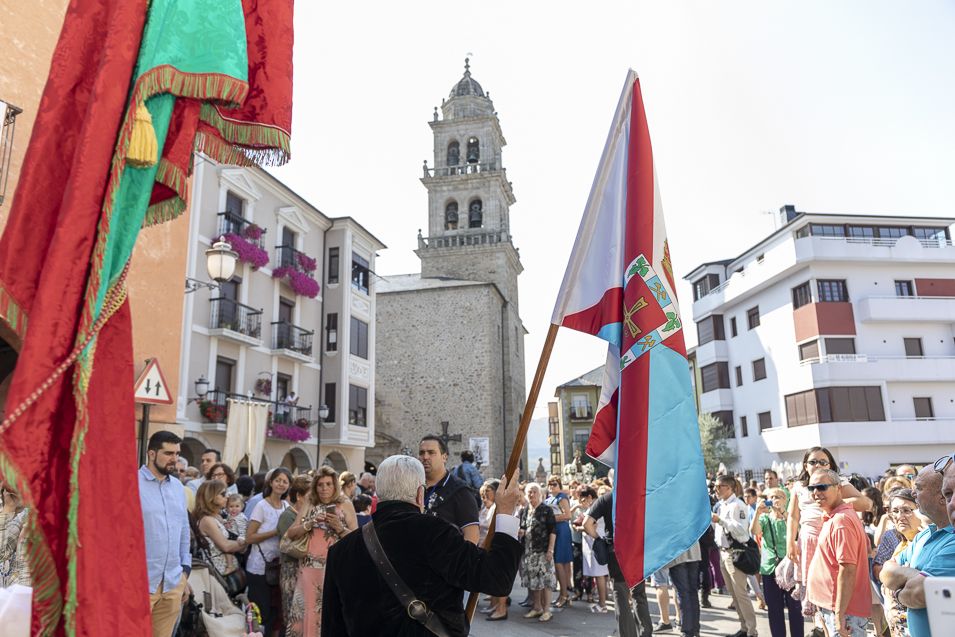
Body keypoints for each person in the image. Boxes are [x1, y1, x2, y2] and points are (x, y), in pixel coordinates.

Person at [320, 455, 523, 636]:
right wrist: (505, 512)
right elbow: (497, 578)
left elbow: (332, 628)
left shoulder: (341, 551)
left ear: (378, 496)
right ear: (420, 494)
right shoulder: (434, 532)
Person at [786, 446, 871, 636]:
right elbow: (792, 516)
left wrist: (837, 506)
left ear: (831, 466)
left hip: (831, 535)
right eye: (813, 462)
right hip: (810, 538)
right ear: (805, 465)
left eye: (823, 462)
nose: (817, 493)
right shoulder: (799, 487)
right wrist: (790, 541)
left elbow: (867, 503)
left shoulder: (840, 519)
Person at [880, 463, 955, 637]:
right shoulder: (923, 535)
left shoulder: (952, 541)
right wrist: (916, 577)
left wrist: (899, 592)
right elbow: (886, 571)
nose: (913, 494)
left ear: (941, 497)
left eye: (919, 488)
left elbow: (918, 594)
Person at [286, 466, 357, 636]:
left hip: (335, 568)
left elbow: (357, 539)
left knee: (331, 612)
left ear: (335, 486)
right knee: (308, 611)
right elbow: (291, 533)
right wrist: (309, 523)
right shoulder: (310, 502)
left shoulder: (345, 503)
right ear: (315, 487)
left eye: (328, 484)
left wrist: (339, 528)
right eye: (320, 485)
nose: (324, 488)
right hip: (309, 568)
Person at [805, 468, 871, 637]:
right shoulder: (836, 516)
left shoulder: (841, 520)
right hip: (836, 609)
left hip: (844, 612)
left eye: (821, 487)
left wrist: (839, 615)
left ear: (839, 488)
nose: (815, 492)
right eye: (811, 488)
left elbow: (848, 570)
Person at [139, 431, 192, 637]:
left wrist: (184, 574)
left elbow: (184, 531)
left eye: (177, 453)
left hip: (172, 583)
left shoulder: (178, 487)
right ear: (151, 454)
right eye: (169, 453)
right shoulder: (131, 484)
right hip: (141, 583)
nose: (175, 459)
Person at [584, 488, 653, 637]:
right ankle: (645, 633)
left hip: (616, 551)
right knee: (639, 594)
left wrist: (598, 539)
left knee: (621, 594)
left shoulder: (607, 498)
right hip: (636, 550)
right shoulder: (639, 495)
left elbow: (587, 523)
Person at [246, 467, 292, 635]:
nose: (281, 484)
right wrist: (275, 531)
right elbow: (249, 537)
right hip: (259, 567)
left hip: (277, 567)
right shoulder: (261, 506)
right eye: (278, 480)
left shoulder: (287, 506)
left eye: (285, 481)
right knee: (261, 613)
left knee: (275, 614)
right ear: (271, 482)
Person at [711, 474, 758, 637]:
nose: (716, 490)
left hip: (734, 552)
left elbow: (741, 530)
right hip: (723, 552)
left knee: (741, 594)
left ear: (730, 488)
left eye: (719, 487)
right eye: (715, 487)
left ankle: (752, 630)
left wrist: (721, 520)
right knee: (734, 594)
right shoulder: (722, 505)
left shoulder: (737, 505)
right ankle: (744, 627)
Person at [752, 488, 802, 637]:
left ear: (786, 500)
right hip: (770, 568)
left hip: (790, 568)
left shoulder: (791, 517)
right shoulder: (765, 518)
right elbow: (754, 531)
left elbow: (797, 532)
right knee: (774, 610)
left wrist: (784, 513)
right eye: (772, 497)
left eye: (779, 497)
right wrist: (757, 512)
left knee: (795, 608)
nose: (775, 499)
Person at [419, 435, 480, 544]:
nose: (425, 457)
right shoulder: (414, 487)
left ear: (444, 457)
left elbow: (472, 535)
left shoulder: (461, 491)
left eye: (431, 452)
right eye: (422, 453)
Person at [277, 475, 312, 636]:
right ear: (298, 496)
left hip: (305, 570)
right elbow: (290, 546)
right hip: (291, 570)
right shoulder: (288, 516)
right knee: (292, 615)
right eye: (309, 496)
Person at [193, 480, 247, 582]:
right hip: (219, 574)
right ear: (210, 497)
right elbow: (225, 546)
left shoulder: (218, 515)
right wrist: (247, 541)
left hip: (228, 570)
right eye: (222, 494)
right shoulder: (207, 520)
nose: (227, 497)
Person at [520, 482, 557, 622]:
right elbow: (523, 526)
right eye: (529, 492)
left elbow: (553, 531)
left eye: (534, 491)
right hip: (529, 552)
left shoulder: (546, 510)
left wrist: (550, 550)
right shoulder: (525, 510)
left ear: (540, 494)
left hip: (543, 551)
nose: (531, 494)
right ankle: (537, 608)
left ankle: (547, 610)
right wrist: (522, 531)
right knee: (533, 581)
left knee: (546, 581)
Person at [576, 486, 608, 612]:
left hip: (596, 542)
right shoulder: (597, 505)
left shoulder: (596, 506)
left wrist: (579, 528)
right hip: (596, 541)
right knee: (600, 574)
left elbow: (591, 525)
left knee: (599, 574)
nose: (582, 501)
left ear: (589, 497)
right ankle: (603, 601)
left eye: (583, 498)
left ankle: (602, 604)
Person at [544, 475, 574, 607]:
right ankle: (564, 594)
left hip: (561, 530)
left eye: (554, 484)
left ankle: (564, 594)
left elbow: (568, 515)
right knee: (560, 563)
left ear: (560, 485)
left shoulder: (562, 497)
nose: (552, 486)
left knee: (560, 562)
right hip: (553, 530)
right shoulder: (548, 498)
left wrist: (551, 519)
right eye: (550, 484)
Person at [667, 543, 702, 637]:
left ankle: (688, 630)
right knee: (692, 592)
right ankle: (695, 629)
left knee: (683, 593)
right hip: (693, 552)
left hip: (678, 553)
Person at [0, 482, 30, 587]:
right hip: (13, 596)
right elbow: (1, 553)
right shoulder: (23, 516)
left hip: (37, 597)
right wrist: (9, 506)